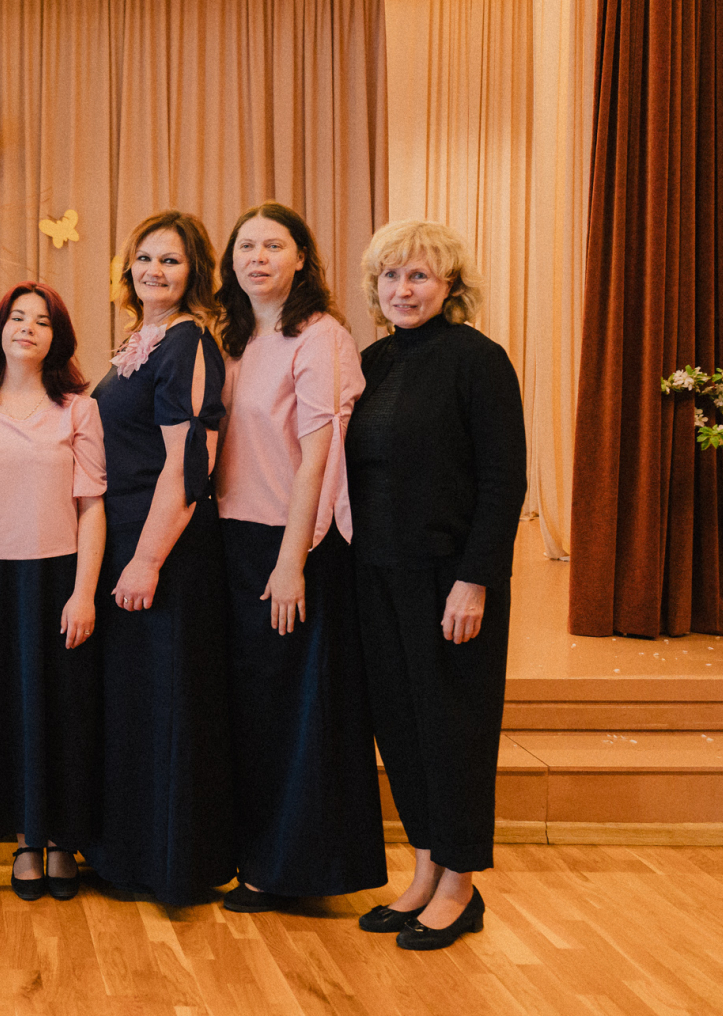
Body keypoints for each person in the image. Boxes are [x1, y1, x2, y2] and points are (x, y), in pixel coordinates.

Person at [346, 220, 526, 950]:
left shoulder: (479, 361)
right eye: (390, 276)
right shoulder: (372, 361)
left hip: (449, 580)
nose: (403, 289)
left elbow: (504, 481)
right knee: (402, 728)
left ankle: (460, 885)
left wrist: (474, 580)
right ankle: (424, 872)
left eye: (418, 275)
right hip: (376, 576)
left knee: (455, 732)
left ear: (449, 285)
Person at [212, 203, 386, 912]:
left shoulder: (320, 337)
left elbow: (320, 457)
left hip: (295, 543)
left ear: (302, 258)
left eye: (273, 245)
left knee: (295, 712)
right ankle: (250, 852)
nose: (257, 257)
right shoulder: (232, 338)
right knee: (252, 710)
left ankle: (289, 869)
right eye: (245, 246)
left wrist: (291, 562)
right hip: (232, 539)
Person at [85, 211, 234, 905]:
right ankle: (128, 855)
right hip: (124, 538)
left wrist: (147, 560)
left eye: (170, 260)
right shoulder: (140, 339)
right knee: (134, 705)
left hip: (164, 548)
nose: (154, 271)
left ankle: (169, 864)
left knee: (165, 704)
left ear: (194, 272)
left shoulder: (188, 342)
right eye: (144, 258)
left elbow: (189, 463)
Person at [0, 282, 106, 902]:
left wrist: (84, 593)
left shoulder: (79, 411)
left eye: (42, 320)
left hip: (61, 580)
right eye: (17, 317)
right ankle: (25, 844)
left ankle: (63, 840)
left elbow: (92, 508)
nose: (28, 328)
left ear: (56, 338)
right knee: (6, 713)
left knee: (64, 712)